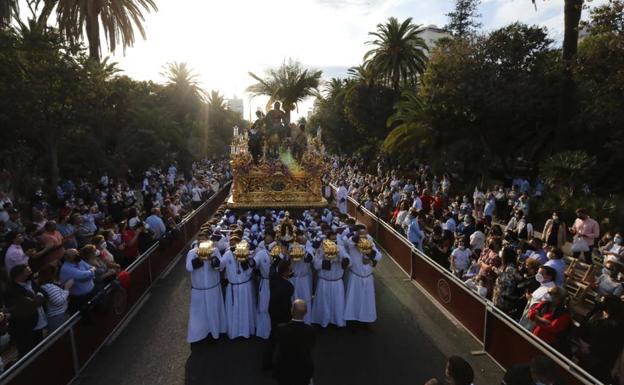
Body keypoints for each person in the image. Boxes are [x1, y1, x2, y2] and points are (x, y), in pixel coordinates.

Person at [185, 234, 226, 343]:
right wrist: (200, 258)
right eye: (200, 240)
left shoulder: (215, 250)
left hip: (213, 289)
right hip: (199, 291)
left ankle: (215, 333)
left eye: (204, 240)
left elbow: (221, 267)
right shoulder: (192, 253)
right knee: (199, 315)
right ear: (198, 242)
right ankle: (199, 335)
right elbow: (189, 267)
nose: (202, 242)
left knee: (213, 312)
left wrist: (213, 259)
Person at [5, 264, 47, 357]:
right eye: (28, 272)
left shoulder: (30, 282)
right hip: (25, 328)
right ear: (19, 275)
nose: (31, 273)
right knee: (28, 352)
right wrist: (39, 296)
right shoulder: (12, 291)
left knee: (39, 347)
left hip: (37, 323)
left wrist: (39, 296)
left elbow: (44, 292)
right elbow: (32, 305)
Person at [344, 225, 382, 323]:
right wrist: (358, 237)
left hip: (368, 278)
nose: (364, 237)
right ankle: (353, 322)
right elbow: (350, 242)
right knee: (354, 300)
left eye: (365, 234)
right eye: (361, 234)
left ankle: (365, 321)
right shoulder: (351, 242)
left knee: (367, 301)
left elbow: (378, 256)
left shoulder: (370, 243)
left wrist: (369, 251)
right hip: (355, 277)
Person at [272, 299, 315, 385]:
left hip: (284, 371)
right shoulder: (310, 330)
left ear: (291, 310)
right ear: (306, 313)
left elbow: (277, 349)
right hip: (303, 371)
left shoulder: (281, 329)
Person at [221, 236, 256, 339]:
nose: (234, 245)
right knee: (234, 309)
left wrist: (246, 261)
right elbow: (220, 266)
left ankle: (246, 331)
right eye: (231, 243)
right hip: (233, 287)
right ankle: (234, 332)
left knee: (245, 308)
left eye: (236, 242)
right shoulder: (227, 254)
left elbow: (251, 269)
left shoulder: (245, 253)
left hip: (245, 286)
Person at [311, 234, 348, 327]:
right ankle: (322, 322)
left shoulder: (341, 248)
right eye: (331, 240)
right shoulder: (321, 249)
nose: (333, 243)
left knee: (337, 303)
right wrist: (328, 261)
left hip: (337, 281)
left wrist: (342, 259)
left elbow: (348, 260)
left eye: (335, 240)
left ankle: (337, 321)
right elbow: (315, 264)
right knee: (323, 303)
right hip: (324, 281)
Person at [265, 259, 295, 370]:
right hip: (283, 315)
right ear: (286, 272)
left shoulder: (273, 279)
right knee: (285, 341)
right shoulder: (289, 287)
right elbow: (287, 303)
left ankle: (267, 362)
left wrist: (275, 260)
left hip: (272, 311)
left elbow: (272, 269)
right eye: (290, 270)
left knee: (272, 338)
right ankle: (283, 363)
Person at [37, 264, 72, 332]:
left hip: (60, 314)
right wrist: (67, 288)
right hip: (56, 317)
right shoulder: (47, 287)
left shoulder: (50, 284)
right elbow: (59, 301)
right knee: (59, 336)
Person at [59, 248, 96, 313]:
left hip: (91, 292)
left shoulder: (80, 261)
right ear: (68, 258)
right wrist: (91, 271)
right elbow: (84, 275)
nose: (78, 255)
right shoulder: (66, 269)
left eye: (78, 253)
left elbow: (89, 267)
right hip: (80, 299)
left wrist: (90, 272)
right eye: (76, 255)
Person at [520, 265, 557, 330]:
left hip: (531, 322)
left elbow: (542, 306)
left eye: (541, 273)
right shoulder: (543, 285)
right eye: (538, 272)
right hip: (527, 316)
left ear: (549, 277)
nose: (538, 275)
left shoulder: (550, 290)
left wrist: (531, 300)